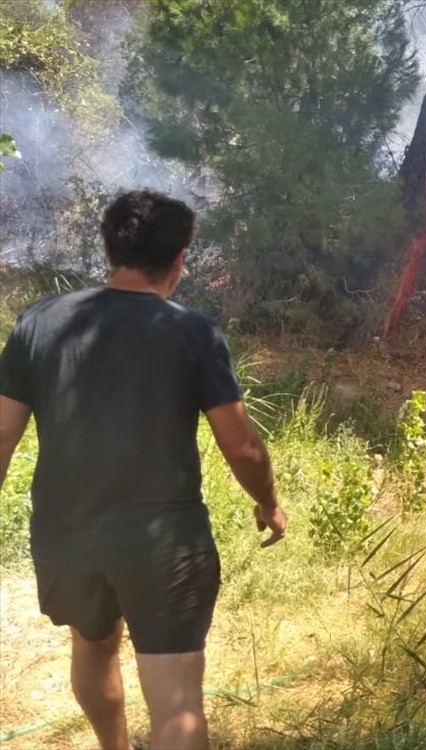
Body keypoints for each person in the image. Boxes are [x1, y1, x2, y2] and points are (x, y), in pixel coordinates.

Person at [0, 189, 287, 750]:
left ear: (108, 249)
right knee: (176, 701)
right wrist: (268, 501)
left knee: (92, 647)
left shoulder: (38, 321)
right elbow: (244, 448)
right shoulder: (193, 332)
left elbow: (1, 435)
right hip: (164, 543)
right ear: (180, 258)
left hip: (66, 534)